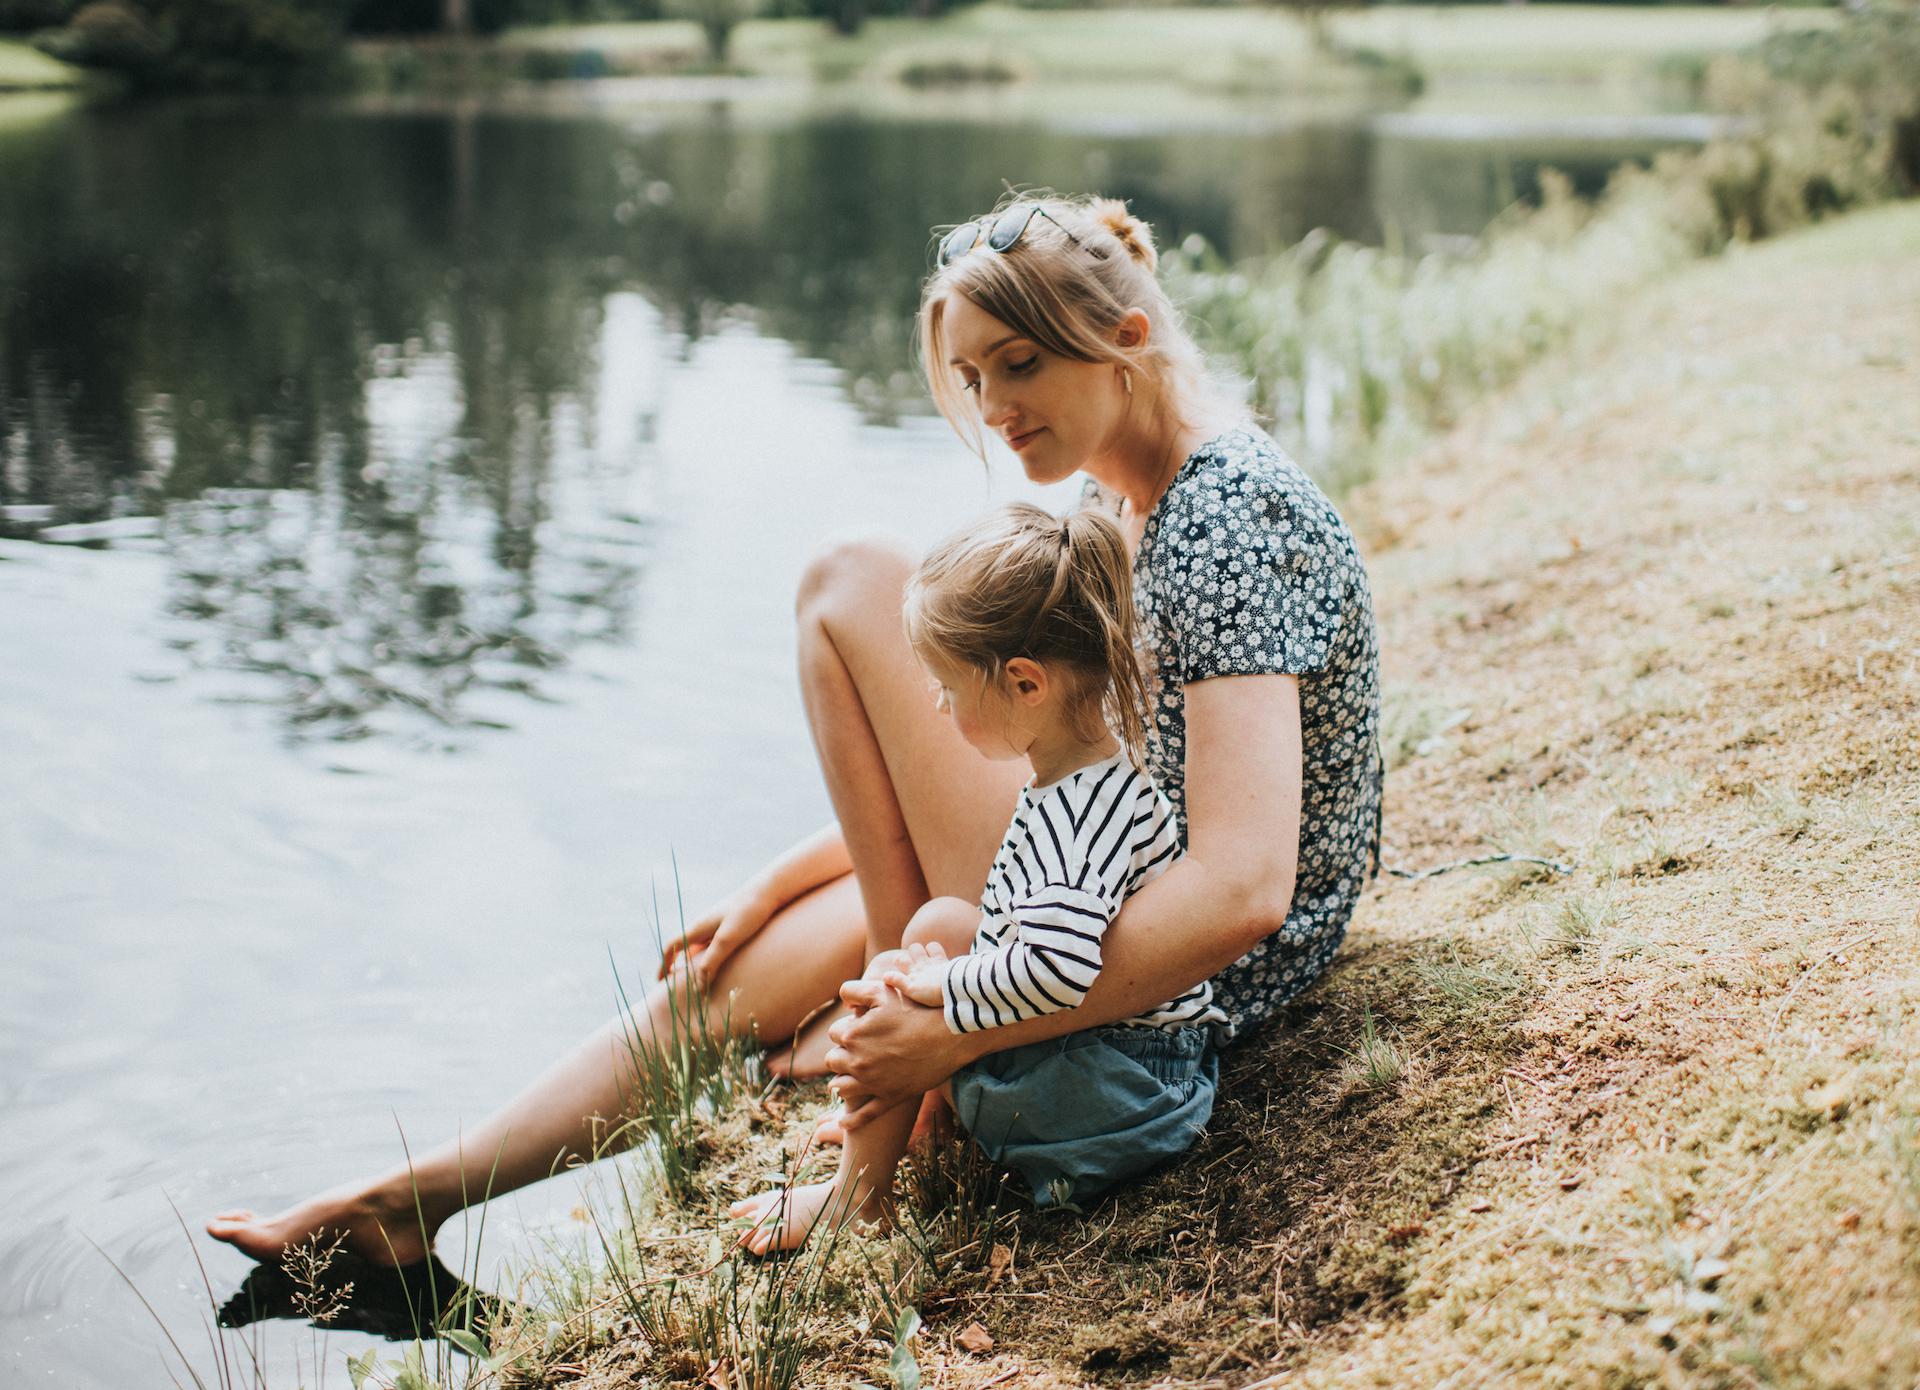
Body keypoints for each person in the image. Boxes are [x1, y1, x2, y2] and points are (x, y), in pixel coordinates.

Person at [206, 192, 1380, 1270]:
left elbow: (1242, 890)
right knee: (720, 975)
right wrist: (786, 875)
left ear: (1128, 338)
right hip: (1098, 868)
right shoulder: (1116, 493)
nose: (995, 407)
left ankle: (894, 1069)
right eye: (973, 378)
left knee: (850, 582)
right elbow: (1067, 752)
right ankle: (420, 1199)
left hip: (1183, 959)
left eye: (1018, 364)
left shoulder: (1224, 514)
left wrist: (951, 1025)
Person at [730, 501, 1225, 1253]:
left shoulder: (1077, 817)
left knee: (907, 974)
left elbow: (1059, 970)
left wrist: (936, 1000)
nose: (936, 703)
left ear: (1027, 685)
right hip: (1137, 1076)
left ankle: (856, 1197)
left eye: (949, 689)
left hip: (1124, 1104)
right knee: (934, 930)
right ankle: (900, 1135)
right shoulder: (1087, 772)